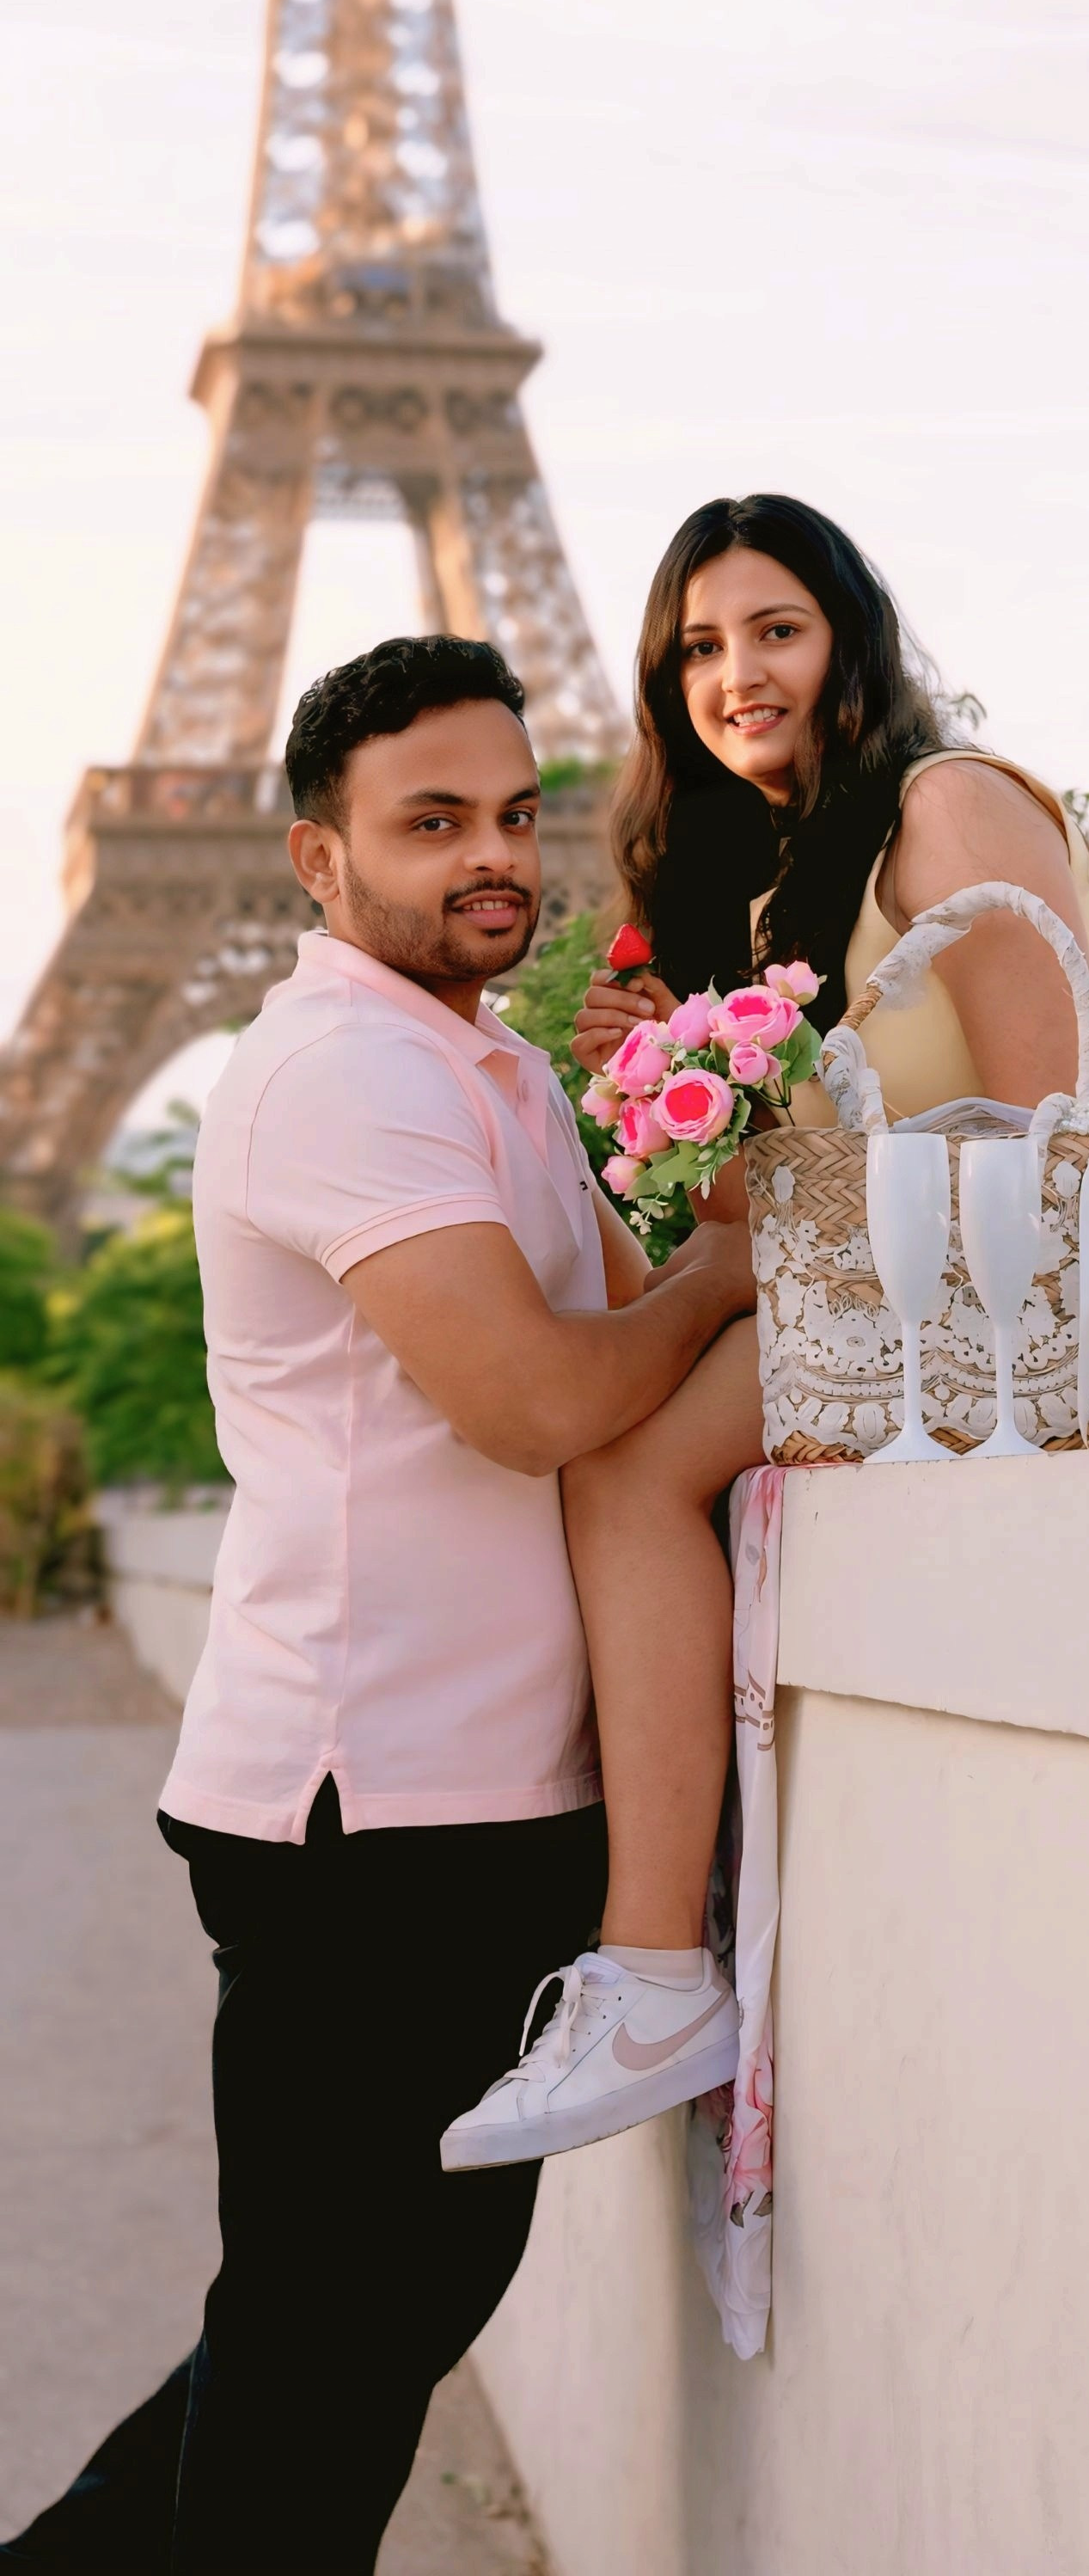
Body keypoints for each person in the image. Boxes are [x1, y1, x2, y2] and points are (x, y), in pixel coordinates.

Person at [2, 636, 756, 2576]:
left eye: (514, 815)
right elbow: (547, 1397)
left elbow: (604, 1365)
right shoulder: (342, 1070)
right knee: (324, 2381)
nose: (492, 857)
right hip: (367, 1821)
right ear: (316, 860)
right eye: (431, 824)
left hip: (478, 1799)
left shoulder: (484, 1058)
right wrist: (736, 1261)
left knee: (341, 2337)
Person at [440, 493, 1089, 2169]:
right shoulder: (779, 891)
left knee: (629, 1471)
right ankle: (646, 1941)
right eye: (697, 647)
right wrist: (673, 1079)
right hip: (930, 1286)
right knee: (631, 1417)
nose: (735, 673)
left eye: (775, 631)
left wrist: (763, 1133)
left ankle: (656, 1967)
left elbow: (1044, 1133)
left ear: (849, 640)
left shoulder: (950, 811)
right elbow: (779, 1213)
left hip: (1077, 1299)